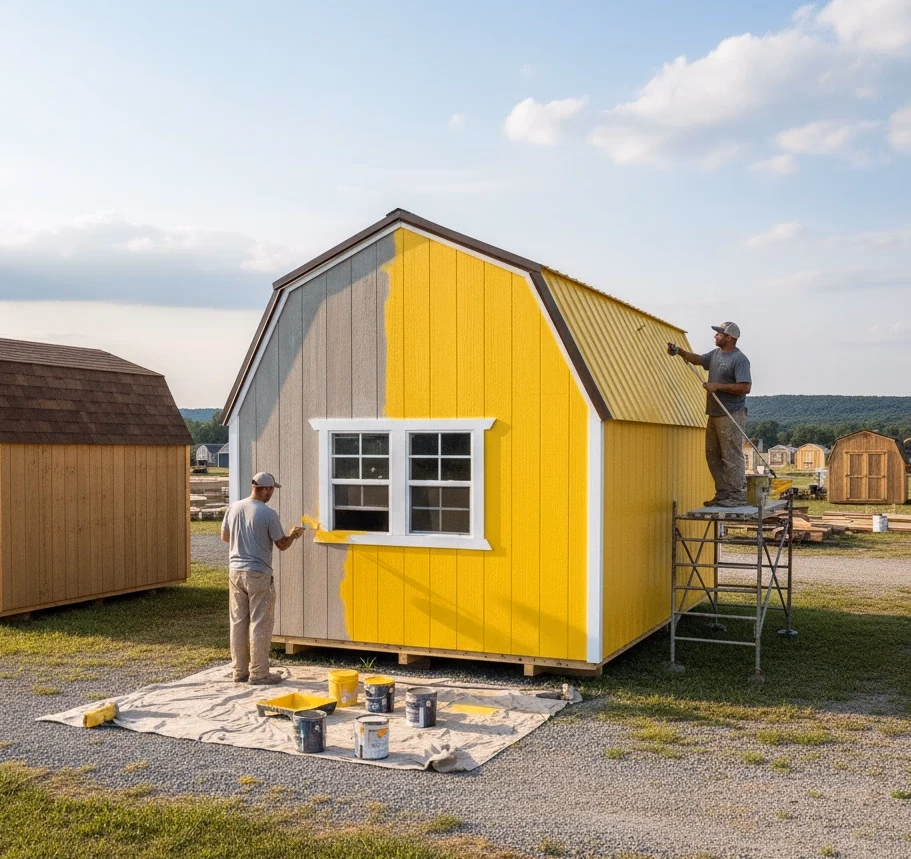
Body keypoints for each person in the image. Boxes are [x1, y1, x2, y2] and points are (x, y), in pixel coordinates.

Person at [221, 472, 304, 684]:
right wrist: (293, 534)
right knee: (260, 623)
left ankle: (239, 671)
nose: (272, 493)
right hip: (258, 573)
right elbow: (282, 545)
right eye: (272, 489)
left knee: (238, 622)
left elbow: (225, 537)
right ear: (266, 489)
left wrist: (244, 540)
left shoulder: (234, 507)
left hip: (235, 572)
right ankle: (259, 673)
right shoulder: (268, 514)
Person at [667, 322, 752, 507]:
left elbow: (745, 387)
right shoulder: (715, 355)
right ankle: (723, 493)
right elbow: (698, 359)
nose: (715, 336)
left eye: (719, 334)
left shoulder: (740, 359)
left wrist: (717, 386)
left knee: (731, 456)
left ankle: (737, 495)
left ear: (729, 337)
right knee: (712, 455)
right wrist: (679, 351)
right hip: (714, 413)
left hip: (731, 413)